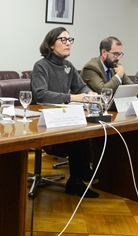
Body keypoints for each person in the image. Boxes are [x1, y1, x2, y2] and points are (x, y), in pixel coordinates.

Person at [31, 26, 99, 198]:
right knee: (78, 134)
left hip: (65, 116)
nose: (68, 43)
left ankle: (80, 176)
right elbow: (40, 94)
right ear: (51, 44)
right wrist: (72, 98)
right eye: (63, 40)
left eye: (70, 40)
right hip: (45, 120)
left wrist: (89, 93)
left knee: (87, 129)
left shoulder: (68, 65)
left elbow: (80, 86)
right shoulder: (41, 66)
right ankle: (79, 177)